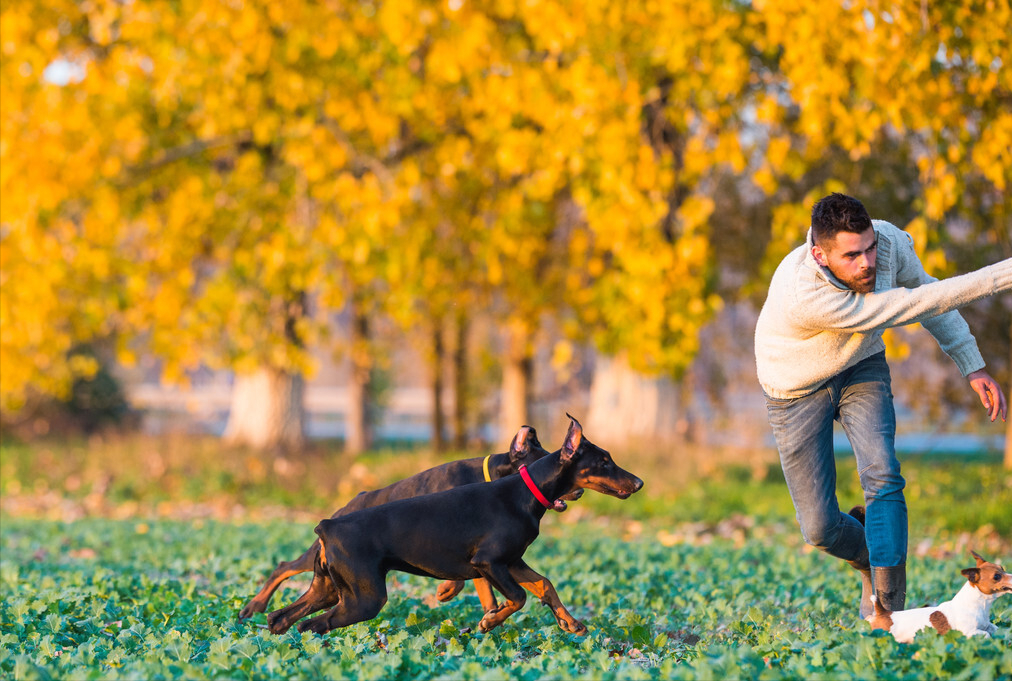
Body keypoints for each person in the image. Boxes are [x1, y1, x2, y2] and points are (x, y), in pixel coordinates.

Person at [754, 192, 1011, 617]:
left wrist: (972, 365)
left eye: (870, 247)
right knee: (819, 528)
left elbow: (926, 291)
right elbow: (912, 305)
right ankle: (868, 557)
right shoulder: (805, 294)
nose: (868, 263)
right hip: (795, 388)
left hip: (861, 365)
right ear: (819, 255)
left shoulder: (889, 242)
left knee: (883, 474)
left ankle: (887, 615)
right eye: (852, 255)